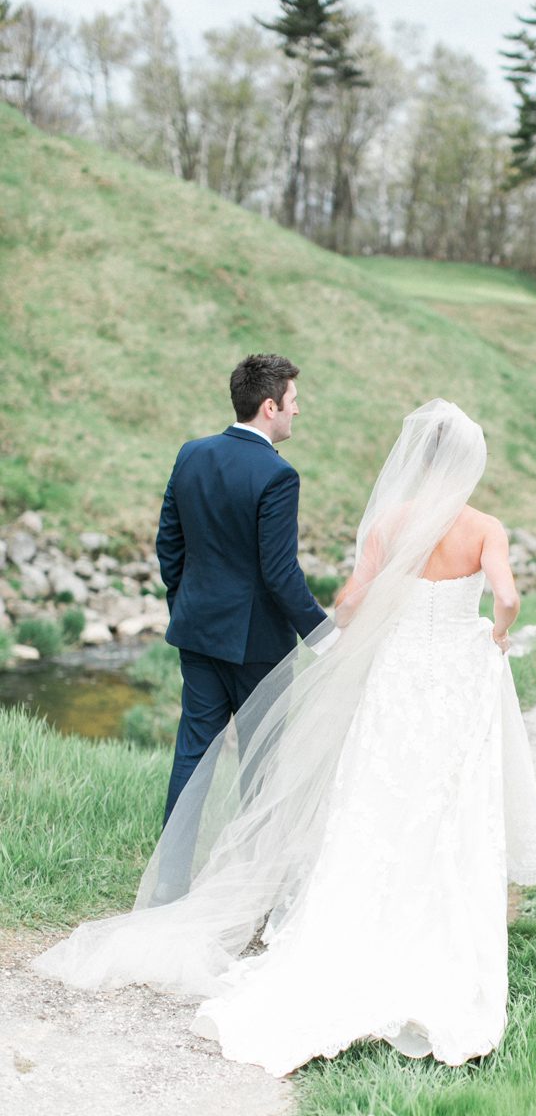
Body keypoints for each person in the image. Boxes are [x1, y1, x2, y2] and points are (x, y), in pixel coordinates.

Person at [32, 399, 536, 1075]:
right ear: (465, 462)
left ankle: (325, 920)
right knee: (451, 800)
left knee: (376, 790)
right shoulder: (486, 527)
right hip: (455, 675)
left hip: (396, 673)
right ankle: (440, 933)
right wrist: (496, 633)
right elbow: (508, 599)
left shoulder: (393, 522)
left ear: (417, 460)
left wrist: (348, 625)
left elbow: (350, 600)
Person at [155, 353, 336, 828]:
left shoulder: (191, 454)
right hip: (258, 647)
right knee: (260, 763)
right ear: (270, 406)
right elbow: (280, 574)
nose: (298, 410)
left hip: (196, 632)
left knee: (193, 757)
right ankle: (247, 879)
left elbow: (168, 546)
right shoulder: (278, 475)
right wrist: (326, 637)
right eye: (293, 401)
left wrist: (184, 605)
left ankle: (169, 883)